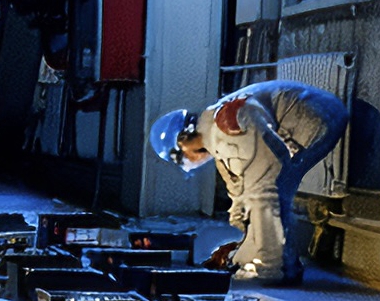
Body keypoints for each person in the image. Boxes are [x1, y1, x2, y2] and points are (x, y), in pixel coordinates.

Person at [150, 79, 349, 283]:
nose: (190, 163)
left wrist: (265, 267)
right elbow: (238, 195)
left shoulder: (226, 124)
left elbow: (265, 190)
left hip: (317, 116)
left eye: (182, 159)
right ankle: (281, 262)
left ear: (183, 141)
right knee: (267, 193)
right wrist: (240, 243)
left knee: (273, 189)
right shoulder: (214, 137)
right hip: (310, 112)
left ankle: (278, 266)